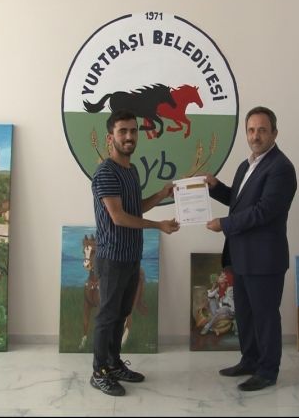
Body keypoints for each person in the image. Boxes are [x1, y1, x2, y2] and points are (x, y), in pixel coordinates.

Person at [204, 106, 297, 391]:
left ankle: (267, 371)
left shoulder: (281, 168)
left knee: (265, 316)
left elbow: (263, 211)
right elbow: (239, 201)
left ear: (274, 133)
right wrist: (215, 187)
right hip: (242, 256)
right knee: (245, 314)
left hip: (265, 259)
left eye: (262, 130)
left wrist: (225, 224)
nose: (255, 136)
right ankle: (250, 360)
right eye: (251, 130)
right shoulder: (246, 166)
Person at [90, 109, 180, 397]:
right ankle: (98, 372)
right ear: (111, 137)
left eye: (133, 131)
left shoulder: (131, 171)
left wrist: (162, 194)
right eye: (123, 131)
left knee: (121, 314)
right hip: (112, 257)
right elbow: (118, 217)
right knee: (107, 317)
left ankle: (113, 364)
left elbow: (134, 208)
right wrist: (159, 226)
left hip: (131, 256)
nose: (129, 136)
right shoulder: (106, 172)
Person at [200, 270, 236, 336]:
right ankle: (214, 325)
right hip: (219, 312)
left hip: (229, 312)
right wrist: (214, 285)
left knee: (224, 308)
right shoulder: (219, 288)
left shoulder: (230, 289)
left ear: (226, 280)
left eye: (221, 276)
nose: (219, 277)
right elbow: (209, 295)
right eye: (220, 276)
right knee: (212, 300)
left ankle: (207, 326)